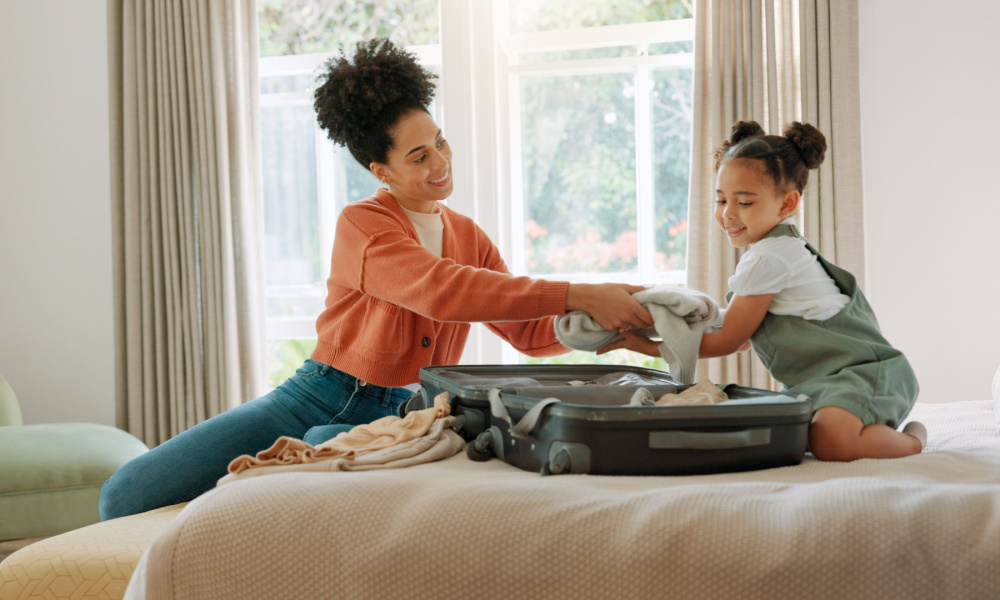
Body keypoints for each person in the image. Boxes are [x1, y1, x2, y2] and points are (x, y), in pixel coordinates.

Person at [99, 38, 653, 520]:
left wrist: (615, 328)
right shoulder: (364, 224)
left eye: (440, 140)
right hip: (317, 395)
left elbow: (529, 333)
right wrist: (579, 291)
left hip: (409, 416)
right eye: (419, 155)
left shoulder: (469, 235)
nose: (440, 160)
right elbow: (441, 288)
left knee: (313, 467)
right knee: (123, 496)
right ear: (382, 171)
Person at [599, 120, 926, 461]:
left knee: (833, 443)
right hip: (821, 383)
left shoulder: (771, 257)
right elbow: (742, 336)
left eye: (745, 203)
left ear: (786, 204)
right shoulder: (772, 250)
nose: (727, 214)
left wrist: (650, 348)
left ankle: (915, 439)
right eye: (721, 199)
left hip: (864, 375)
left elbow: (729, 341)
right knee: (791, 436)